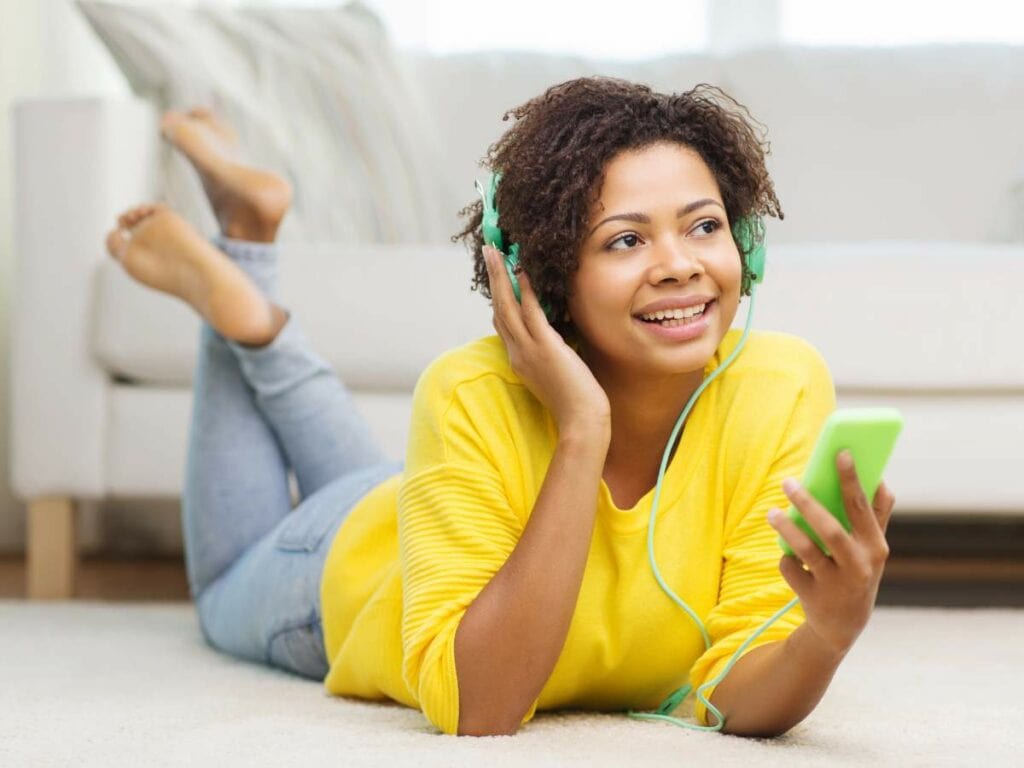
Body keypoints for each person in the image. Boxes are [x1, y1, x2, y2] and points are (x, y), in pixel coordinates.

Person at [105, 78, 896, 739]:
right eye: (626, 241)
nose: (680, 265)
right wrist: (584, 428)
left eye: (705, 226)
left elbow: (737, 689)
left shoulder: (781, 384)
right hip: (343, 562)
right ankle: (244, 289)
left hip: (424, 495)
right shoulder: (470, 391)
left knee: (392, 473)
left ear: (746, 244)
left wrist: (826, 635)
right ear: (540, 273)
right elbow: (482, 709)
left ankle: (251, 267)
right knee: (216, 595)